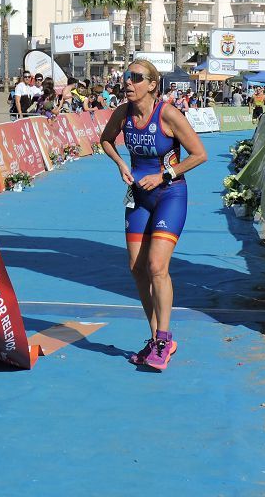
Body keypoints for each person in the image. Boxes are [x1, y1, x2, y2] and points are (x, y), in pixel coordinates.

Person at [99, 60, 208, 372]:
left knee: (157, 266)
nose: (128, 82)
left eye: (136, 78)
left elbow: (200, 154)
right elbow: (106, 140)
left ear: (151, 85)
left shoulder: (169, 114)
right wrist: (121, 164)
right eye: (125, 77)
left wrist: (165, 174)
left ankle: (164, 337)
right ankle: (154, 338)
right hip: (139, 198)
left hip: (169, 195)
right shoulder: (123, 113)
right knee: (137, 269)